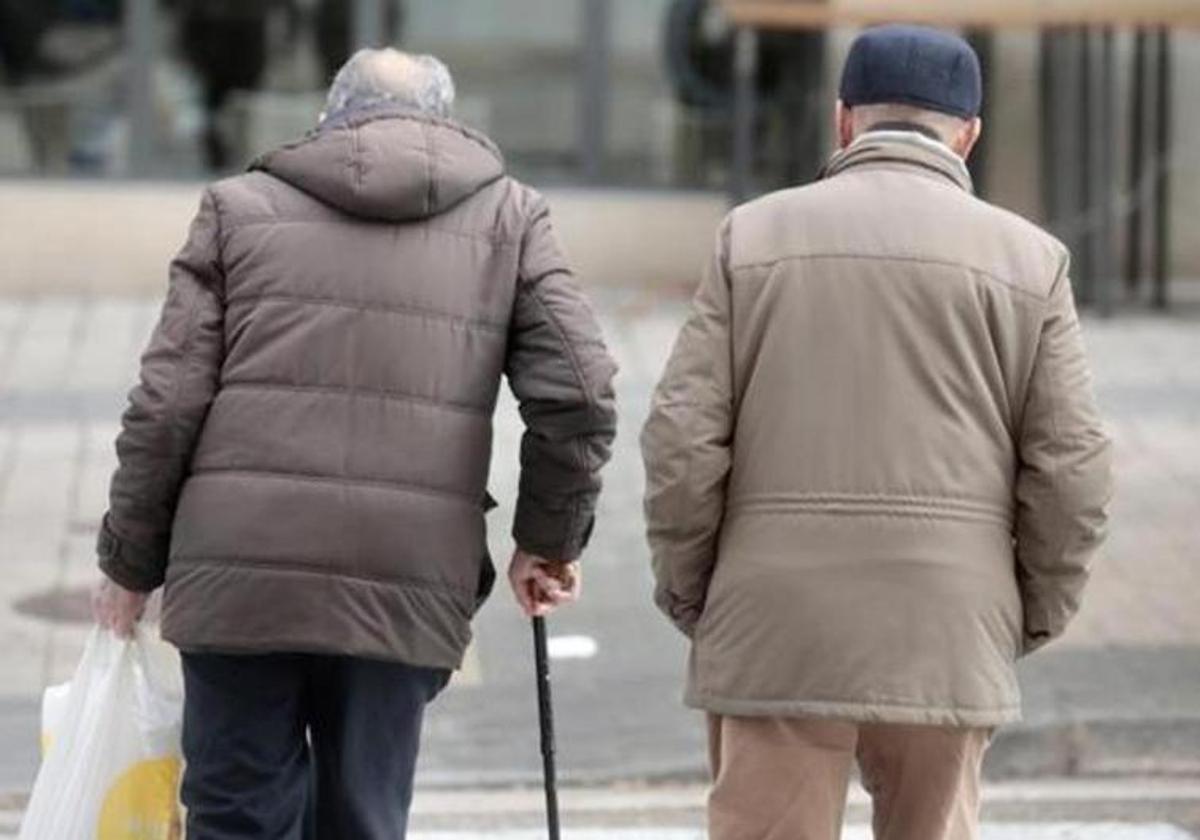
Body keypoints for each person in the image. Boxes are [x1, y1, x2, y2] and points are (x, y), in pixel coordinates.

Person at [91, 48, 617, 840]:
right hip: (403, 577)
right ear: (445, 123)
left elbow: (166, 405)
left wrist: (129, 564)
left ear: (329, 117)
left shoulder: (238, 208)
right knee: (364, 819)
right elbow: (580, 391)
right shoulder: (510, 218)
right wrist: (544, 541)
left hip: (242, 574)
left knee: (235, 815)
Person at [641, 24, 1113, 840]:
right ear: (968, 133)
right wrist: (1024, 612)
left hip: (777, 623)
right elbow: (1072, 474)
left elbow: (682, 440)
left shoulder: (752, 238)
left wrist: (697, 593)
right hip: (948, 622)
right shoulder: (1033, 262)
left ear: (843, 120)